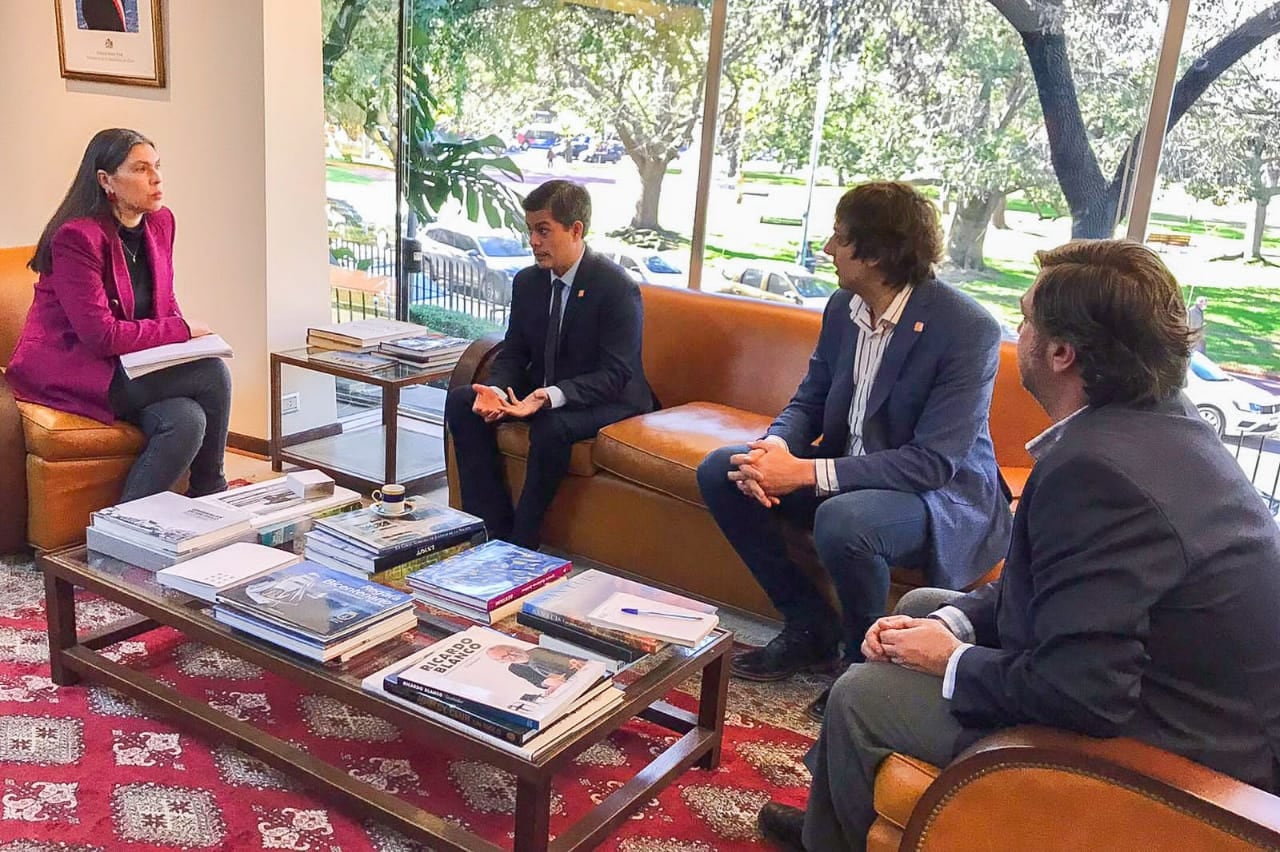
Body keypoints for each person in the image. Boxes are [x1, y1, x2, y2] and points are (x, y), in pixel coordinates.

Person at [756, 239, 1280, 852]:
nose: (1018, 331)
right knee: (924, 605)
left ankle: (831, 840)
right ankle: (834, 815)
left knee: (862, 695)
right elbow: (1061, 588)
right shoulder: (1160, 420)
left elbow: (1083, 694)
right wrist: (950, 624)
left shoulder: (1098, 471)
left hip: (1179, 749)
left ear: (1061, 353)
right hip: (1176, 693)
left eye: (1027, 318)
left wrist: (949, 660)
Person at [696, 181, 1012, 722]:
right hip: (854, 474)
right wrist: (772, 449)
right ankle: (808, 624)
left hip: (937, 496)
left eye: (839, 238)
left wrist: (804, 473)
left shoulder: (967, 329)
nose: (827, 249)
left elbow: (933, 462)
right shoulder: (843, 307)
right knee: (722, 469)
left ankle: (859, 663)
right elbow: (810, 399)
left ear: (878, 252)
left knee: (845, 519)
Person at [7, 128, 231, 503]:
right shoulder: (76, 238)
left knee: (186, 420)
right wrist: (181, 330)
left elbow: (161, 299)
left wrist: (184, 340)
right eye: (141, 169)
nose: (156, 178)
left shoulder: (161, 223)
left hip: (132, 365)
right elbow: (102, 337)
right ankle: (212, 492)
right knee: (211, 373)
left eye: (157, 167)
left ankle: (121, 529)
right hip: (77, 370)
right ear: (106, 181)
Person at [444, 179, 652, 549]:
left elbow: (617, 373)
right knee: (463, 402)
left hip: (609, 398)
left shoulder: (616, 288)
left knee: (552, 426)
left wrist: (548, 396)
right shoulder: (528, 282)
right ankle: (490, 529)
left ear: (575, 230)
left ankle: (523, 543)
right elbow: (514, 351)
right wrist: (494, 390)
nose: (534, 242)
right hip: (544, 389)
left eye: (543, 231)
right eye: (530, 231)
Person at [486, 644, 583, 694]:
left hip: (577, 670)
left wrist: (573, 660)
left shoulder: (537, 650)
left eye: (510, 650)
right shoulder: (514, 668)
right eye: (504, 657)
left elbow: (566, 656)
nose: (512, 655)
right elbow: (536, 681)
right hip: (563, 683)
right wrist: (548, 682)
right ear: (500, 661)